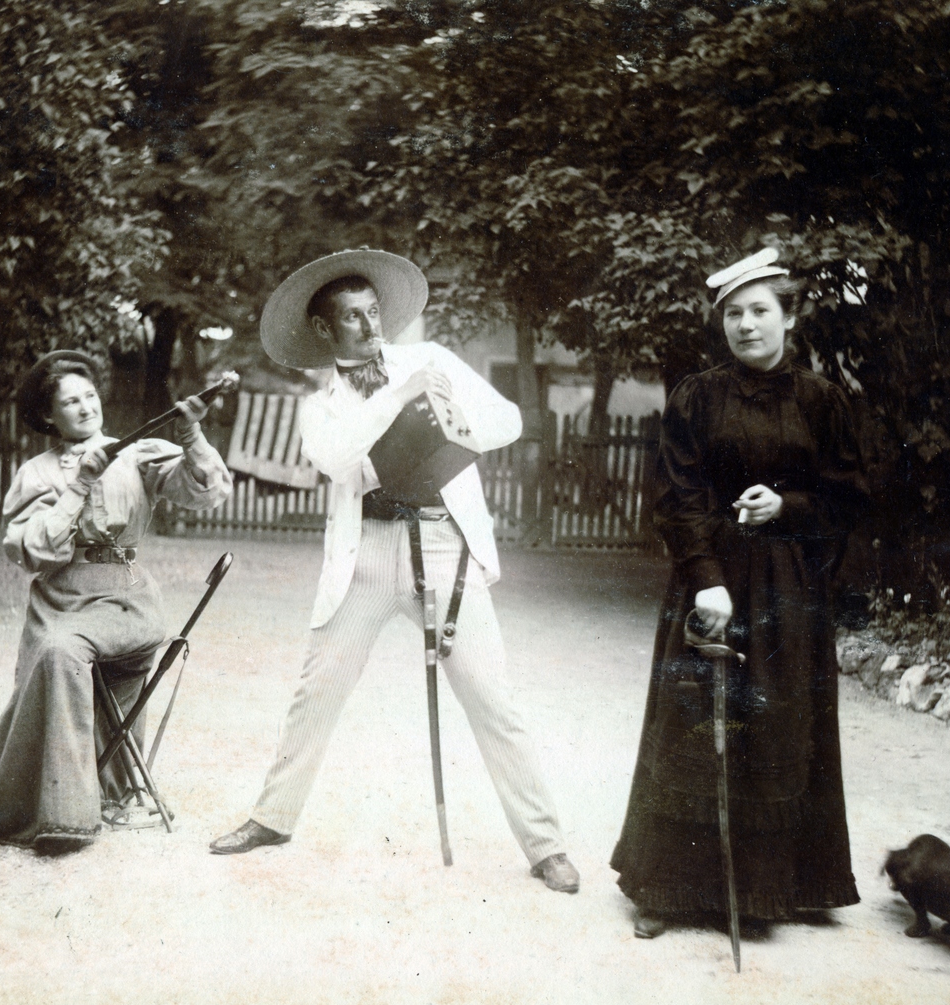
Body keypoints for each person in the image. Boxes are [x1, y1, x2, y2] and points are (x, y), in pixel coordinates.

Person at [209, 250, 579, 894]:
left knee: (493, 699)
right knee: (317, 690)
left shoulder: (431, 361)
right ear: (324, 329)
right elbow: (337, 459)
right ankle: (272, 817)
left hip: (443, 546)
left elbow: (508, 420)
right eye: (352, 317)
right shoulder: (320, 405)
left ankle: (546, 845)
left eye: (374, 312)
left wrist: (451, 426)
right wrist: (399, 399)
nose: (369, 326)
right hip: (368, 553)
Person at [609, 248, 869, 938]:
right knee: (693, 725)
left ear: (789, 317)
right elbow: (676, 497)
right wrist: (708, 581)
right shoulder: (697, 397)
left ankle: (769, 892)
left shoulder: (822, 401)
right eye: (733, 314)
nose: (746, 325)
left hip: (787, 592)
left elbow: (848, 498)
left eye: (759, 311)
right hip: (710, 584)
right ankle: (667, 889)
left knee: (775, 726)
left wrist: (786, 506)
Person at [0, 351, 232, 854]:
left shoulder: (138, 455)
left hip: (127, 599)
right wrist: (80, 484)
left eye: (90, 396)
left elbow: (207, 493)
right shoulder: (37, 473)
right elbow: (33, 552)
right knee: (57, 650)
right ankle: (60, 807)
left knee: (63, 650)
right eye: (69, 402)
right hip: (59, 599)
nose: (85, 407)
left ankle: (70, 811)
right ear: (48, 415)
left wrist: (190, 434)